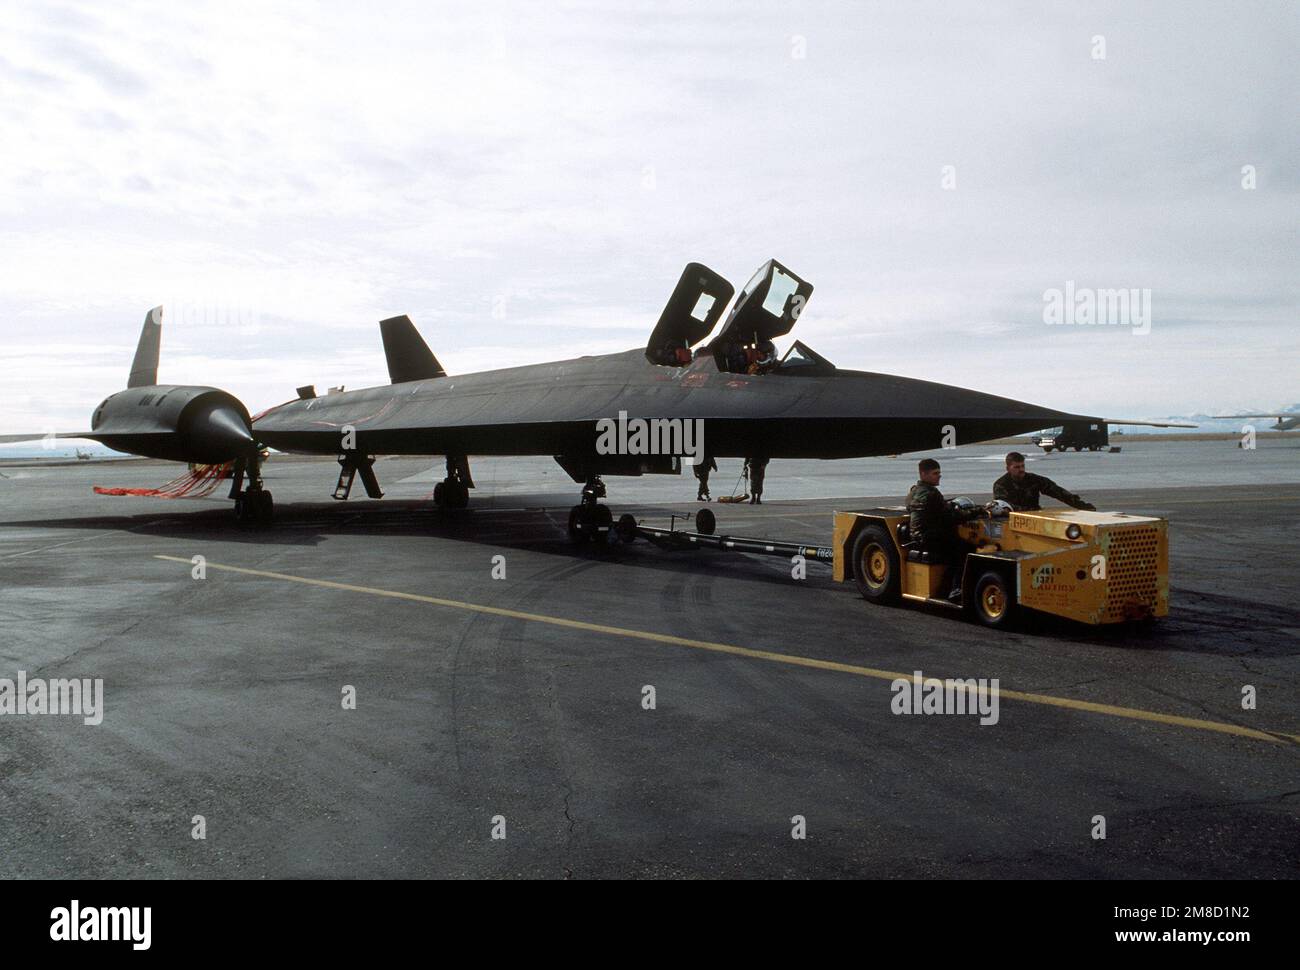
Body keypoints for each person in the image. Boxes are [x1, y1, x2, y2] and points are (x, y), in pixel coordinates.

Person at [907, 458, 987, 602]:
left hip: (917, 536)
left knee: (952, 542)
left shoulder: (914, 491)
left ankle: (945, 588)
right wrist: (978, 511)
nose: (939, 476)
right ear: (923, 474)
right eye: (935, 473)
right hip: (928, 537)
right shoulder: (932, 493)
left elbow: (916, 509)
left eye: (939, 473)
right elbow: (952, 517)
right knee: (965, 548)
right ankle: (955, 589)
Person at [993, 452, 1096, 511]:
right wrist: (1030, 511)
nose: (1021, 470)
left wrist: (1082, 506)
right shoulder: (1001, 485)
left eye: (1022, 466)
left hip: (1036, 518)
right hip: (1013, 521)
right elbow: (1004, 507)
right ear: (1008, 468)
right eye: (1017, 467)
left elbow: (1058, 492)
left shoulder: (1034, 480)